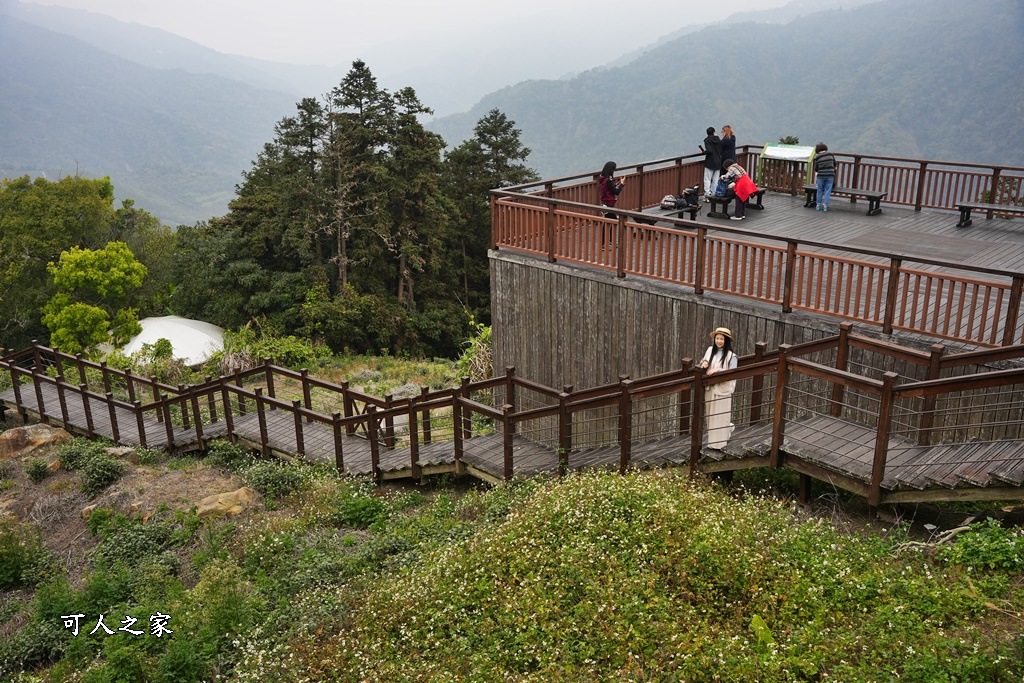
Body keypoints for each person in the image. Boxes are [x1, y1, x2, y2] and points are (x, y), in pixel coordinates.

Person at [699, 326, 738, 449]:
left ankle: (720, 443)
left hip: (723, 390)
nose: (719, 341)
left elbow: (732, 372)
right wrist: (704, 362)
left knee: (721, 415)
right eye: (718, 338)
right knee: (711, 415)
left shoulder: (732, 356)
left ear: (726, 341)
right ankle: (713, 441)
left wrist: (718, 370)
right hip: (710, 388)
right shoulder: (710, 350)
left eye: (722, 339)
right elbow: (705, 360)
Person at [700, 127, 722, 200]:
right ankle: (713, 193)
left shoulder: (707, 140)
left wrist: (703, 152)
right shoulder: (718, 140)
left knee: (707, 179)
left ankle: (707, 194)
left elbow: (709, 150)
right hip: (718, 161)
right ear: (714, 132)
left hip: (710, 162)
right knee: (715, 179)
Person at [813, 142, 836, 212]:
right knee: (827, 191)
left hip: (821, 176)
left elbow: (816, 168)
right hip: (830, 175)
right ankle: (825, 206)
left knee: (819, 190)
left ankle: (818, 205)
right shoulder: (831, 155)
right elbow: (835, 164)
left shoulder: (817, 157)